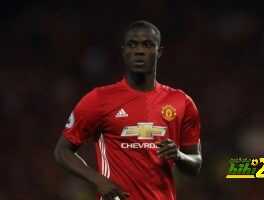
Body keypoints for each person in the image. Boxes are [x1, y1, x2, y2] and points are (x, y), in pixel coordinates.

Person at [54, 20, 202, 200]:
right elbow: (62, 151)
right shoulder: (99, 99)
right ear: (124, 51)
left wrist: (178, 156)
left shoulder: (181, 102)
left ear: (159, 52)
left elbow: (195, 164)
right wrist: (98, 181)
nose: (139, 51)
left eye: (147, 45)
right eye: (133, 45)